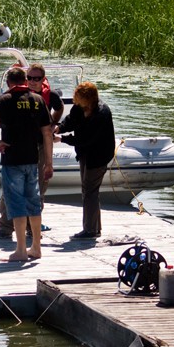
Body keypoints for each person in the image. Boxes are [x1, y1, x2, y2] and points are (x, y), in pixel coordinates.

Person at [0, 67, 54, 261]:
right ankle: (36, 247)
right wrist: (49, 163)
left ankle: (21, 250)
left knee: (17, 204)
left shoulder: (4, 100)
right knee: (34, 203)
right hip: (33, 159)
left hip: (12, 159)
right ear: (25, 81)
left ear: (9, 83)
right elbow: (47, 133)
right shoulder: (37, 100)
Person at [0, 63, 64, 240]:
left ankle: (32, 228)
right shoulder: (11, 97)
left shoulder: (46, 97)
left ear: (43, 80)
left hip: (38, 147)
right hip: (15, 148)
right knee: (10, 190)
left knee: (37, 189)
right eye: (30, 78)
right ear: (25, 79)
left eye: (37, 79)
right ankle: (6, 227)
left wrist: (54, 124)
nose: (33, 82)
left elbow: (53, 120)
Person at [54, 81, 116, 240]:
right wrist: (59, 127)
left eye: (78, 99)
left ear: (89, 99)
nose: (75, 101)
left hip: (98, 156)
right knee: (90, 191)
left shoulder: (101, 114)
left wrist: (61, 139)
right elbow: (71, 120)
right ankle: (95, 228)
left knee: (89, 192)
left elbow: (85, 139)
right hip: (86, 154)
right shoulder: (80, 107)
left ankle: (89, 230)